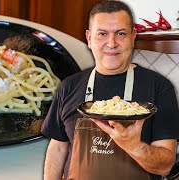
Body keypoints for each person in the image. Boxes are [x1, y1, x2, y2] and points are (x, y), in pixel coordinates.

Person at [41, 1, 179, 180]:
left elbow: (165, 167)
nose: (112, 43)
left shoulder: (159, 87)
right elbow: (58, 148)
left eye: (121, 33)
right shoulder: (68, 86)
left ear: (133, 37)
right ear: (89, 39)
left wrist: (133, 146)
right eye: (102, 34)